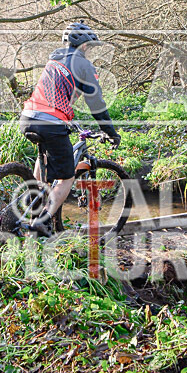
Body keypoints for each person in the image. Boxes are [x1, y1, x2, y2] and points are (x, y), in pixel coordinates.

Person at [18, 22, 120, 236]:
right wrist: (111, 132)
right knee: (67, 177)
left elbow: (54, 95)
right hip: (51, 122)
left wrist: (67, 117)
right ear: (84, 47)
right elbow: (97, 105)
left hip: (28, 117)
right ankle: (42, 220)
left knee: (45, 155)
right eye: (90, 47)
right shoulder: (84, 66)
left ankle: (35, 198)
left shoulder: (54, 60)